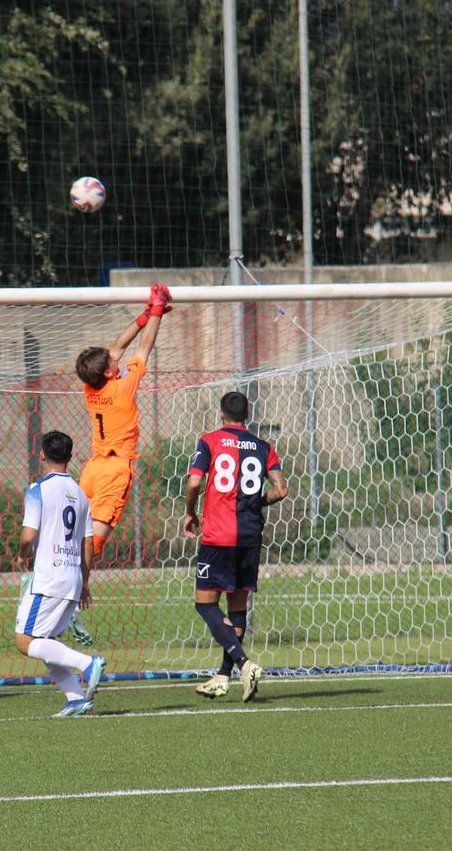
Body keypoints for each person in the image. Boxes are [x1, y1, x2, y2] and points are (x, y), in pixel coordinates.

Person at [69, 284, 172, 644]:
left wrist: (144, 315)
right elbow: (143, 347)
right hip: (114, 472)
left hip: (91, 469)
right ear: (111, 373)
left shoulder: (91, 387)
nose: (117, 358)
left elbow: (118, 348)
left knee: (71, 536)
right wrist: (156, 312)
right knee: (92, 544)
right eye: (113, 362)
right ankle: (76, 601)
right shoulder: (122, 388)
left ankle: (59, 592)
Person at [183, 391, 287, 702]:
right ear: (247, 415)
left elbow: (193, 483)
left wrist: (190, 511)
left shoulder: (210, 440)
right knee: (237, 606)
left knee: (205, 604)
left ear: (221, 415)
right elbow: (281, 490)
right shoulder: (264, 447)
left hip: (218, 535)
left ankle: (244, 663)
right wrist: (257, 502)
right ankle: (223, 677)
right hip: (250, 535)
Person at [12, 431, 106, 717]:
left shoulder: (38, 489)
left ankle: (88, 663)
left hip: (48, 578)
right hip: (72, 577)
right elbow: (88, 542)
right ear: (70, 456)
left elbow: (28, 535)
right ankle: (75, 698)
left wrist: (21, 555)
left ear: (41, 455)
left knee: (24, 641)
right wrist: (85, 581)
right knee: (46, 642)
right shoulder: (80, 494)